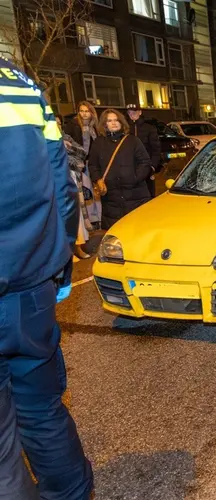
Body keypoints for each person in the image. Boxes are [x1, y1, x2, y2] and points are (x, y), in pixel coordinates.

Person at [0, 56, 94, 498]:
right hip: (30, 287)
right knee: (40, 409)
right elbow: (62, 183)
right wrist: (58, 268)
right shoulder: (19, 82)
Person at [88, 108, 152, 230]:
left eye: (116, 120)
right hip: (111, 197)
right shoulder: (99, 143)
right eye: (109, 120)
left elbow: (144, 162)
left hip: (135, 194)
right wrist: (98, 179)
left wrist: (134, 178)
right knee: (115, 232)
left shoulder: (132, 141)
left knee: (138, 229)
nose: (113, 123)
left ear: (122, 122)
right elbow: (93, 165)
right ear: (104, 124)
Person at [58, 116, 93, 259]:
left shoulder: (66, 137)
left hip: (72, 179)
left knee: (76, 215)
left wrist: (69, 147)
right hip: (56, 183)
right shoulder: (42, 141)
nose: (56, 126)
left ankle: (78, 248)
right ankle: (66, 253)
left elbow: (82, 154)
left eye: (59, 123)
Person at [64, 101, 102, 230]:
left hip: (94, 162)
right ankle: (91, 218)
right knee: (87, 191)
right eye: (81, 111)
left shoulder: (96, 127)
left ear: (91, 112)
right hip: (81, 163)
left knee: (97, 189)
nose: (84, 114)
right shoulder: (73, 125)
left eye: (87, 111)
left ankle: (99, 216)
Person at [126, 103, 161, 197]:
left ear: (140, 112)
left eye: (134, 112)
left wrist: (153, 166)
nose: (132, 114)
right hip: (130, 167)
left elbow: (156, 149)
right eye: (129, 112)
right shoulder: (125, 129)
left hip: (146, 167)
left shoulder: (149, 128)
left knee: (149, 194)